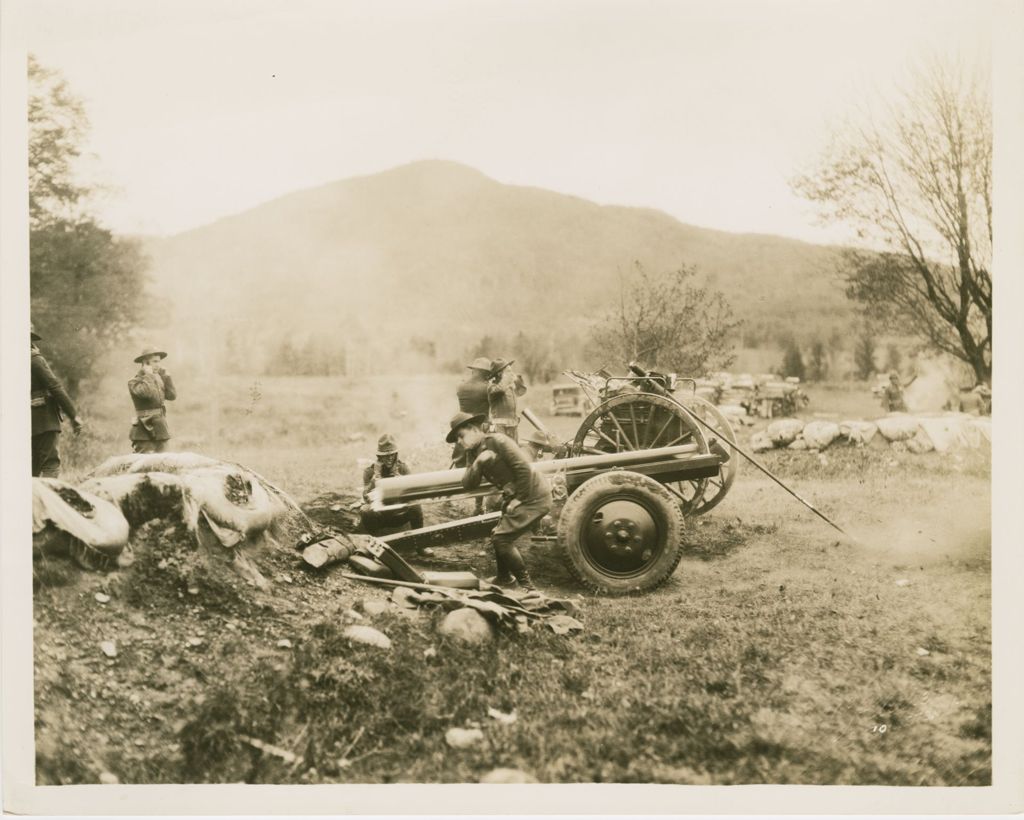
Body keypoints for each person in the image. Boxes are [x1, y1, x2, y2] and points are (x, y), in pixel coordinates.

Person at [446, 411, 552, 589]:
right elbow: (468, 484)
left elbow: (524, 470)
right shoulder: (473, 453)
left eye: (460, 436)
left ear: (473, 430)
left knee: (501, 539)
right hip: (517, 496)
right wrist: (479, 462)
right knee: (498, 533)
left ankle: (529, 588)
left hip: (534, 496)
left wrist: (518, 500)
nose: (459, 441)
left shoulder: (498, 441)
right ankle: (504, 578)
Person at [31, 323, 82, 477]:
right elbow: (55, 386)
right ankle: (47, 500)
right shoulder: (35, 359)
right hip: (43, 420)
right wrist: (74, 416)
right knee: (50, 465)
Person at [358, 434, 426, 539]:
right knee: (365, 510)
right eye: (386, 455)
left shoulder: (402, 468)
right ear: (380, 457)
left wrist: (399, 479)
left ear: (396, 455)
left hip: (398, 513)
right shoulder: (369, 471)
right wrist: (375, 479)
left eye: (392, 455)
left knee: (416, 505)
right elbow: (365, 497)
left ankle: (421, 543)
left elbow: (413, 493)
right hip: (380, 515)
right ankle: (375, 543)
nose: (390, 458)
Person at [128, 347, 177, 453]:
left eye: (159, 362)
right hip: (143, 429)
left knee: (165, 461)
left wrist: (166, 377)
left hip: (160, 427)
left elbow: (172, 396)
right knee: (144, 464)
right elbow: (147, 393)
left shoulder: (158, 380)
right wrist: (149, 375)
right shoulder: (134, 382)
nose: (158, 365)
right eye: (155, 361)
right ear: (145, 363)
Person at [487, 358, 527, 442]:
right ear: (499, 374)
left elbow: (522, 390)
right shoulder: (492, 387)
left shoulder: (509, 387)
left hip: (512, 428)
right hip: (499, 429)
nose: (512, 373)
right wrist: (506, 380)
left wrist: (516, 379)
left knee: (514, 452)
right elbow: (499, 390)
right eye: (508, 371)